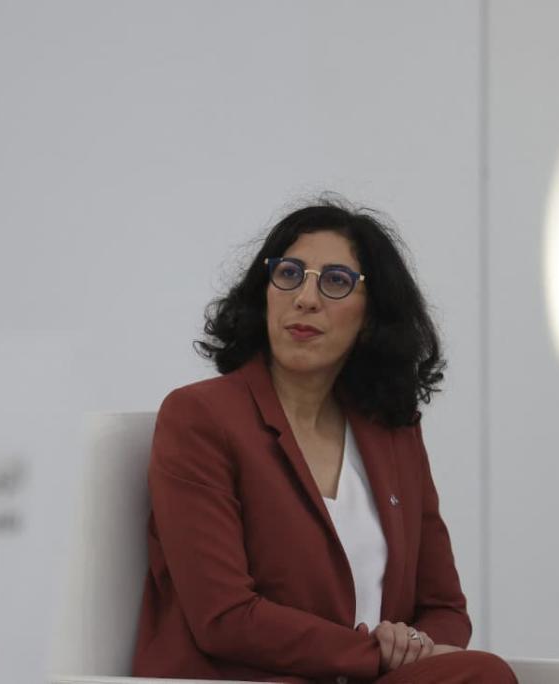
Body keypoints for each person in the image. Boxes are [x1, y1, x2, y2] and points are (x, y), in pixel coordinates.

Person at [133, 200, 516, 684]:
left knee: (480, 675)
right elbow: (223, 618)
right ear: (264, 292)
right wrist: (374, 653)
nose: (305, 298)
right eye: (289, 274)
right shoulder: (202, 417)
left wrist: (412, 645)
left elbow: (442, 607)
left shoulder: (392, 430)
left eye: (335, 281)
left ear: (373, 313)